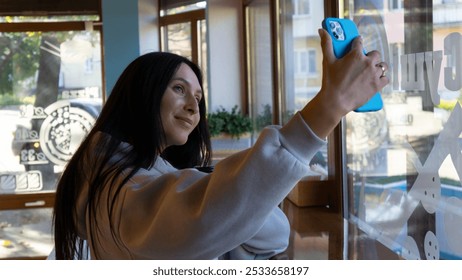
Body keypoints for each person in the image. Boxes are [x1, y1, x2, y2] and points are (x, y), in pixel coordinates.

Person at [51, 28, 389, 260]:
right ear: (141, 93)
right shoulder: (123, 190)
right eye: (178, 89)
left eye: (198, 97)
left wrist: (229, 207)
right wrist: (331, 104)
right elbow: (207, 223)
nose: (192, 106)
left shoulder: (117, 174)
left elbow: (272, 231)